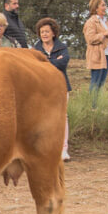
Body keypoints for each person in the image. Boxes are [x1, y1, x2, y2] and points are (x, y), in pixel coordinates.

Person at [35, 18, 71, 160]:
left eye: (47, 32)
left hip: (61, 86)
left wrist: (46, 62)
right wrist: (55, 61)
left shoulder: (62, 47)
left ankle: (63, 149)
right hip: (41, 88)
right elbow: (36, 65)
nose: (44, 34)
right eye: (42, 32)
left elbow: (63, 63)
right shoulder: (35, 49)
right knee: (42, 117)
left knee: (62, 117)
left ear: (53, 33)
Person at [83, 0, 108, 105]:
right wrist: (105, 33)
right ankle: (92, 106)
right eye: (102, 5)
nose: (105, 7)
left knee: (101, 82)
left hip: (107, 54)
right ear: (96, 8)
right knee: (96, 81)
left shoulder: (105, 21)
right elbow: (90, 38)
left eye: (105, 5)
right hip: (97, 55)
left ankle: (97, 105)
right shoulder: (91, 22)